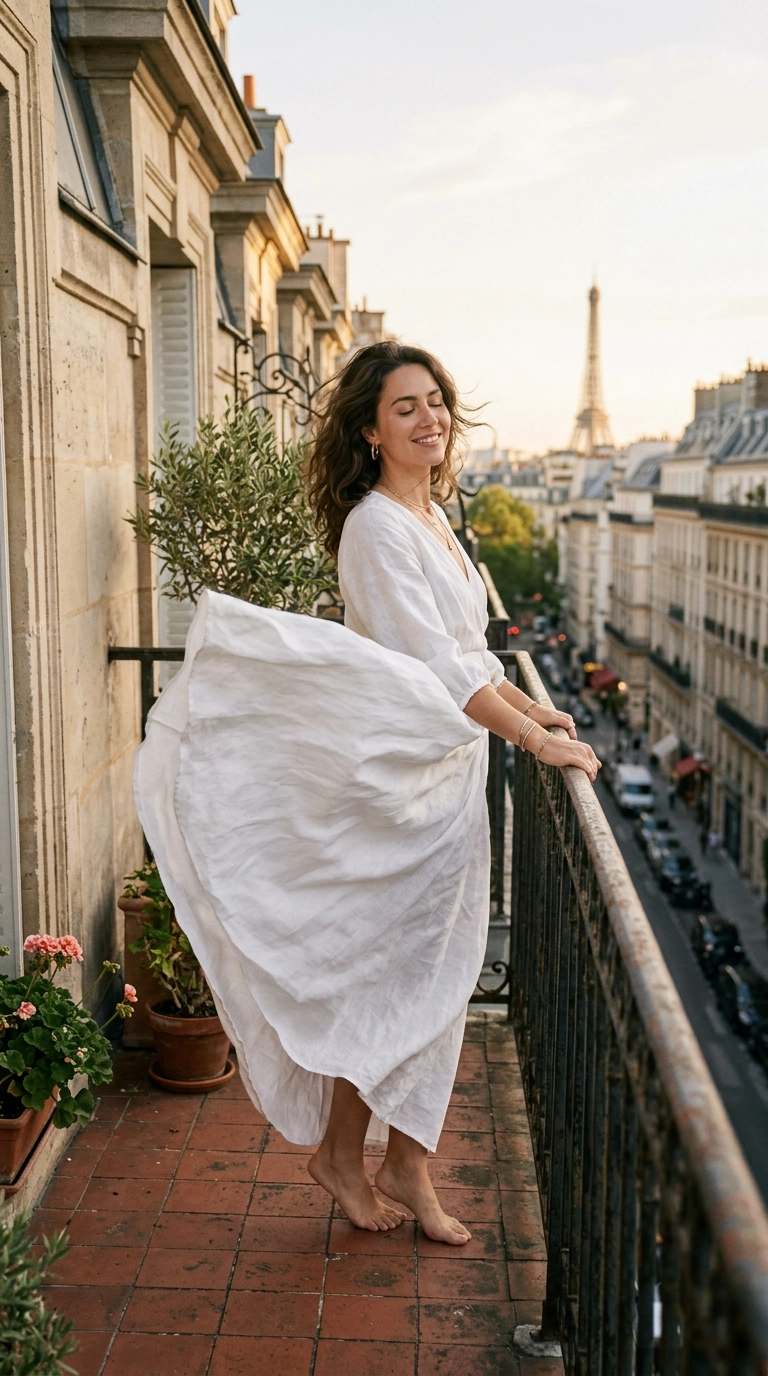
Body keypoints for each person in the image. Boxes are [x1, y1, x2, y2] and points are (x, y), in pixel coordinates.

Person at [134, 342, 600, 1249]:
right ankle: (394, 1164)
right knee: (409, 984)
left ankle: (365, 1156)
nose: (429, 419)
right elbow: (436, 671)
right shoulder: (377, 527)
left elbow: (473, 660)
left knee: (414, 984)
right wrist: (533, 735)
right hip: (400, 792)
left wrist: (535, 716)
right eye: (406, 408)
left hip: (441, 781)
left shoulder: (431, 520)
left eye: (436, 402)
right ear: (369, 429)